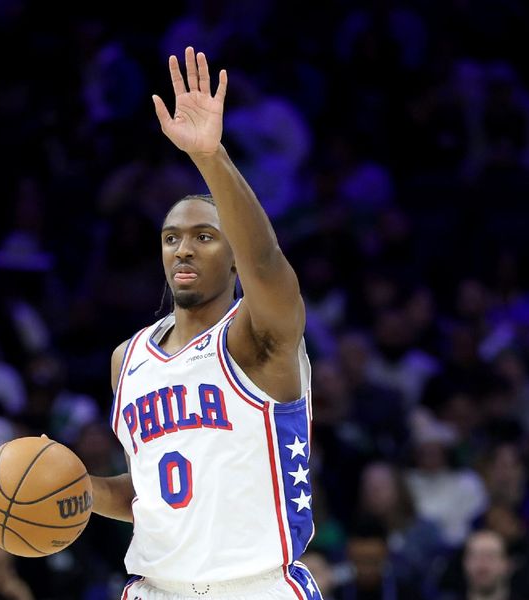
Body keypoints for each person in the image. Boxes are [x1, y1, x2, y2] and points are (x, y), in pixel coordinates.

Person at [87, 46, 319, 600]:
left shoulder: (257, 337)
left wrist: (211, 158)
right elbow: (151, 494)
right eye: (172, 238)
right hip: (154, 588)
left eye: (204, 236)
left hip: (255, 587)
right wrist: (79, 489)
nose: (183, 249)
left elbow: (268, 265)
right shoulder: (130, 358)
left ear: (233, 252)